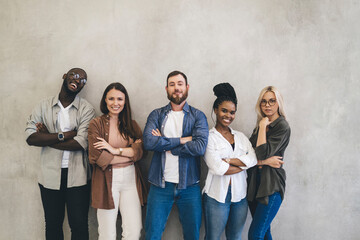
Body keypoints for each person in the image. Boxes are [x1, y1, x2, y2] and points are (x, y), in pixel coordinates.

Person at [25, 68, 95, 240]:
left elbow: (81, 143)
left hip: (78, 178)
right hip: (49, 177)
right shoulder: (43, 106)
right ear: (65, 76)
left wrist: (47, 137)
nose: (78, 81)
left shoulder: (86, 109)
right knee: (53, 224)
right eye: (75, 76)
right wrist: (63, 135)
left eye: (83, 80)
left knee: (79, 225)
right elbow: (30, 137)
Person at [143, 70, 209, 240]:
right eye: (172, 85)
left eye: (180, 84)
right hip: (160, 185)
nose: (176, 88)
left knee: (192, 235)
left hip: (190, 186)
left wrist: (166, 145)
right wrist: (182, 140)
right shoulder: (156, 115)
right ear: (166, 89)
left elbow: (200, 147)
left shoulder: (198, 116)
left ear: (187, 87)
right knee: (152, 235)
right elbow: (149, 143)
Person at [88, 82, 146, 240]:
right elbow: (97, 157)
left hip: (130, 179)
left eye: (120, 99)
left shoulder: (132, 125)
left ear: (125, 101)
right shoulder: (96, 124)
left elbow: (140, 153)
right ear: (105, 101)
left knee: (134, 231)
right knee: (107, 234)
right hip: (106, 181)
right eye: (111, 98)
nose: (115, 103)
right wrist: (129, 153)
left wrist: (114, 151)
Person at [203, 83, 257, 240]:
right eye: (224, 110)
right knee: (212, 237)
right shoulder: (209, 137)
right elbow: (218, 168)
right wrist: (242, 165)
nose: (228, 115)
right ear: (215, 110)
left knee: (235, 237)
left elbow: (253, 159)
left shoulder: (240, 136)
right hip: (216, 197)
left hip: (240, 197)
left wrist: (229, 160)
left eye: (232, 112)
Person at [247, 86, 291, 240]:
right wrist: (265, 161)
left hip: (271, 186)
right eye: (263, 102)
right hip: (255, 186)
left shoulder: (281, 126)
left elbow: (259, 152)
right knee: (264, 233)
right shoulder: (260, 125)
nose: (267, 105)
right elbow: (248, 155)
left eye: (272, 101)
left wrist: (263, 127)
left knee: (255, 234)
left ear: (278, 103)